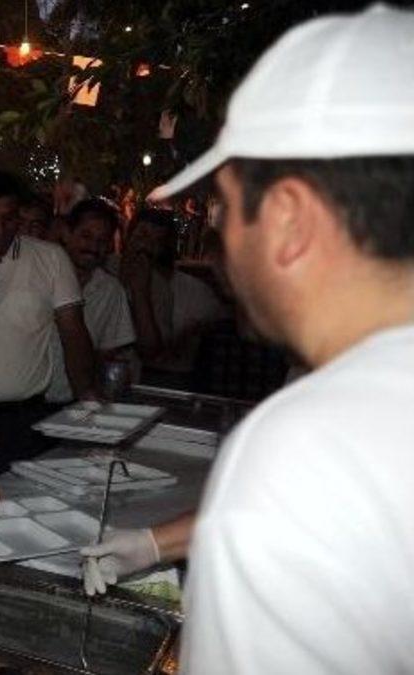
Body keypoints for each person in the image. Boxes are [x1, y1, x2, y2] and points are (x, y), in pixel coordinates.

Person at [90, 5, 414, 671]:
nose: (220, 242)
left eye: (225, 208)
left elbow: (308, 492)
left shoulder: (300, 446)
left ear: (288, 219)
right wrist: (157, 542)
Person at [0, 170, 97, 471]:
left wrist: (88, 403)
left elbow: (74, 336)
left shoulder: (50, 258)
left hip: (24, 420)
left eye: (9, 218)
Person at [118, 208, 228, 384]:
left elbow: (152, 350)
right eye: (142, 236)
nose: (145, 246)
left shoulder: (185, 290)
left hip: (165, 379)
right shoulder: (104, 271)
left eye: (157, 241)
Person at [45, 198, 136, 402]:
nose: (93, 246)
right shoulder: (41, 275)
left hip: (74, 402)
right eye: (86, 236)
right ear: (67, 234)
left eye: (102, 240)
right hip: (27, 400)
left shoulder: (111, 290)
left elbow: (108, 355)